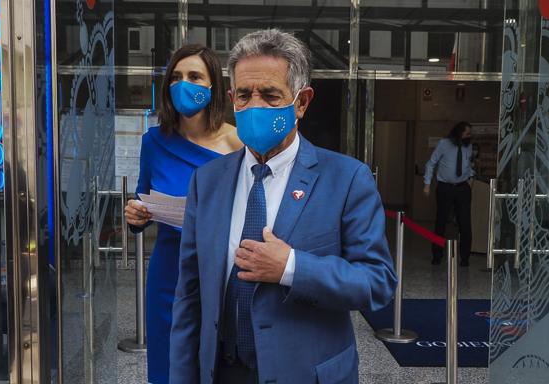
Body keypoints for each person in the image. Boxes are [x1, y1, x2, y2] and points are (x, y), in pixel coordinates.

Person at [169, 29, 397, 384]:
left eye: (271, 95)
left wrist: (292, 267)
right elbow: (190, 295)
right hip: (222, 371)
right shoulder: (207, 181)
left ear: (301, 102)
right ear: (231, 98)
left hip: (305, 374)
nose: (254, 105)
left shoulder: (347, 179)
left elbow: (377, 282)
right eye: (244, 95)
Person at [124, 44, 242, 384]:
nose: (183, 84)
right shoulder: (153, 141)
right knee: (166, 358)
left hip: (219, 267)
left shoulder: (237, 142)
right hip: (168, 267)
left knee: (215, 356)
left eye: (194, 76)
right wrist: (135, 216)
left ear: (212, 86)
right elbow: (141, 197)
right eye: (176, 77)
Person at [423, 121, 475, 266]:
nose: (469, 136)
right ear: (459, 133)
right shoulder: (444, 144)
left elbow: (468, 165)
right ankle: (437, 255)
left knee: (465, 223)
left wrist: (471, 178)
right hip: (445, 187)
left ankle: (465, 257)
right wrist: (427, 183)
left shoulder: (468, 147)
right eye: (467, 133)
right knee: (441, 221)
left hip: (463, 188)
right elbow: (431, 163)